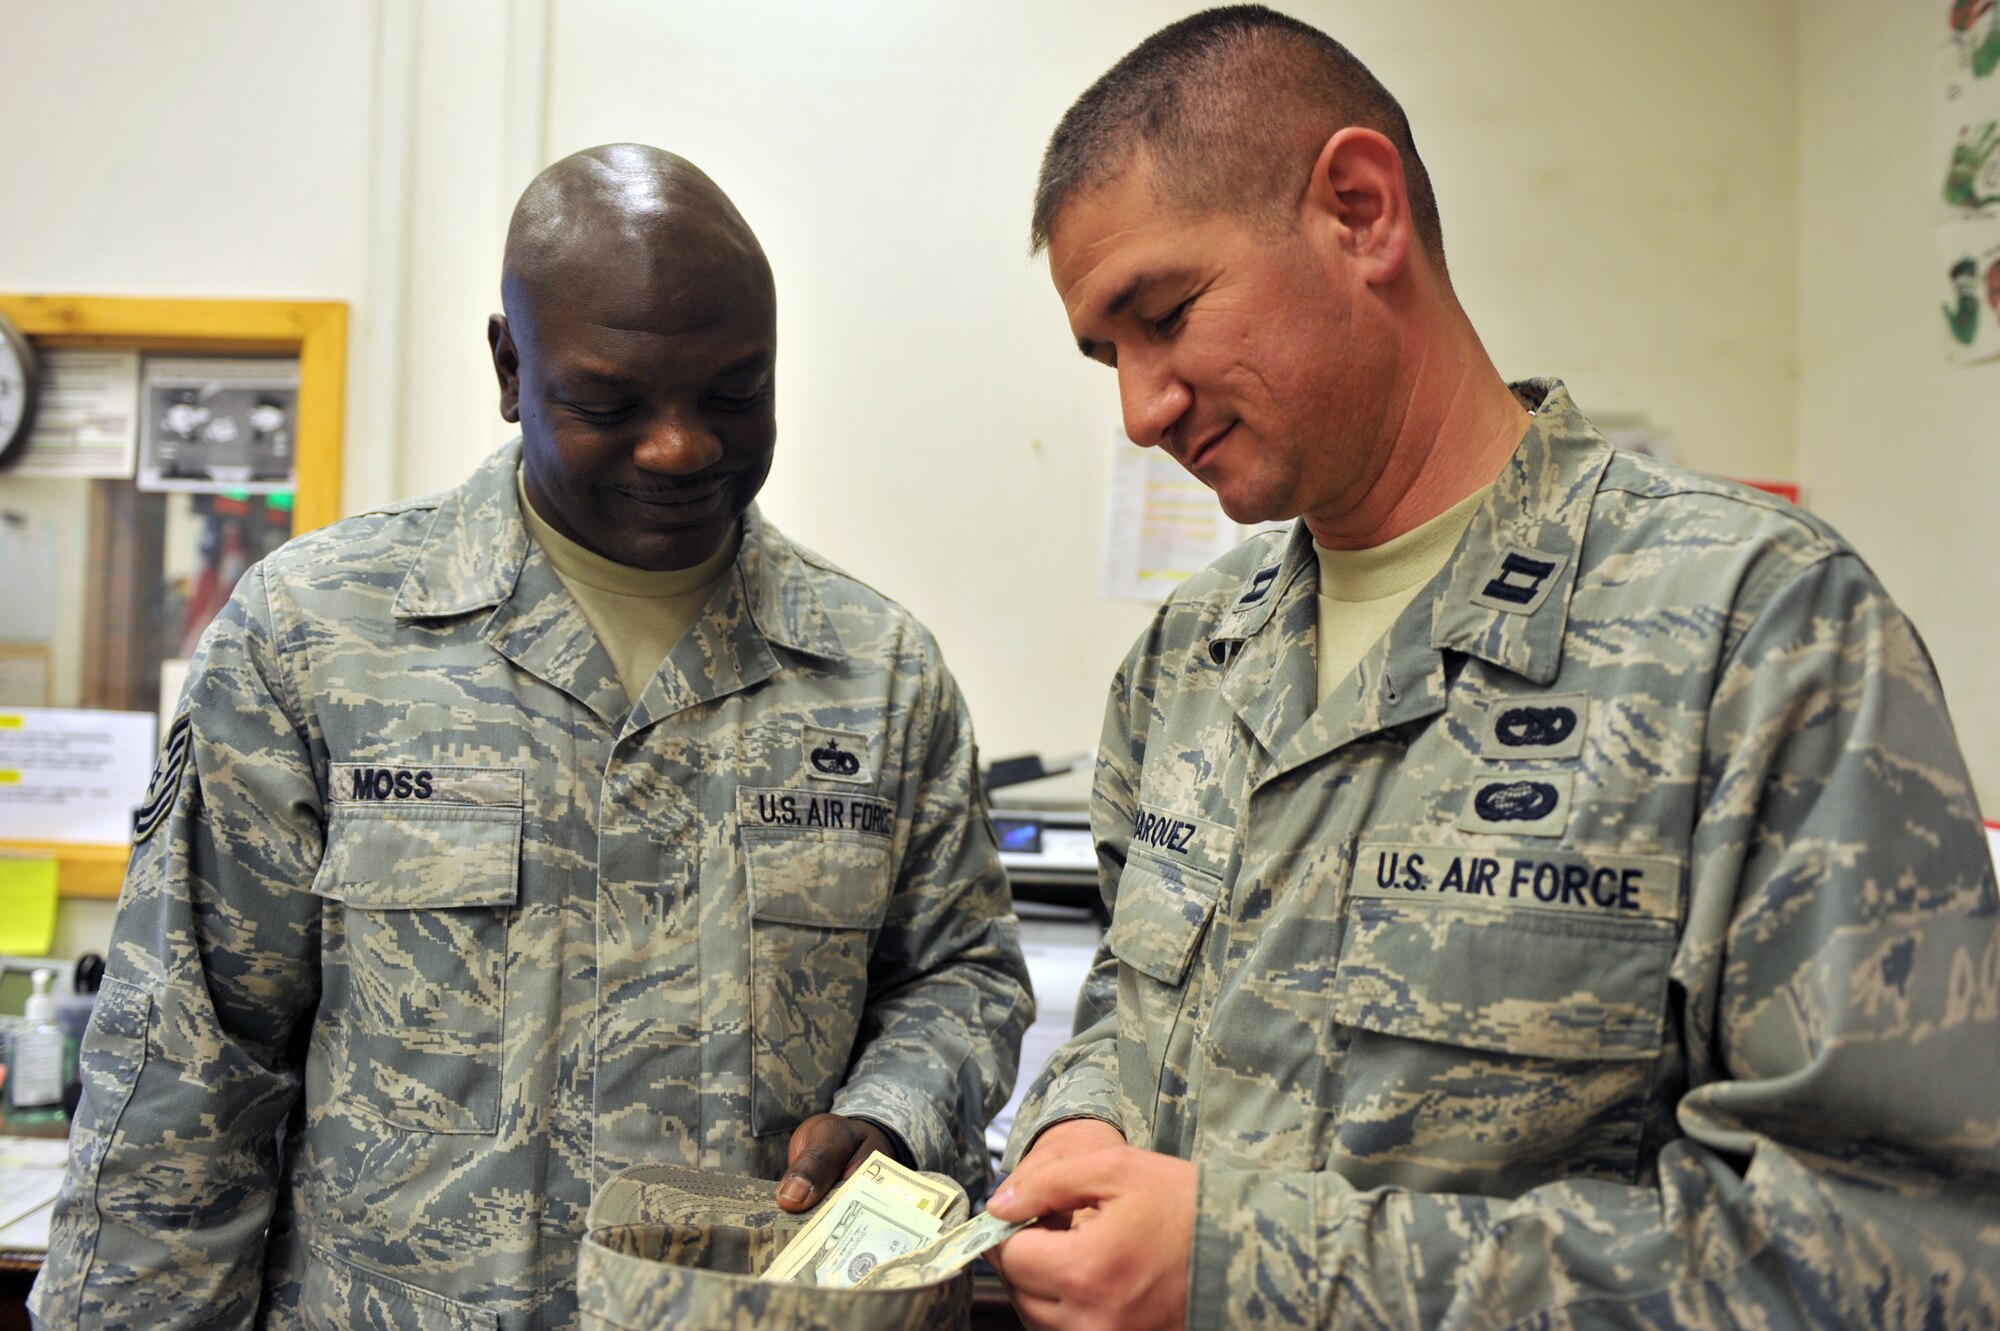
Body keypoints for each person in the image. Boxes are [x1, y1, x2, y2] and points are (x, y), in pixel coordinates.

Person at [986, 9, 2000, 1329]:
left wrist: (1249, 1264)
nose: (1139, 409)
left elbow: (1890, 1258)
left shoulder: (1760, 631)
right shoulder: (1188, 659)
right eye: (1106, 355)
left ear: (1360, 212)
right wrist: (1079, 1120)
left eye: (1166, 315)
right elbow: (1124, 1007)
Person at [30, 144, 1031, 1329]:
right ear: (511, 368)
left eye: (734, 393)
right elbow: (187, 1066)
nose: (681, 446)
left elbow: (960, 976)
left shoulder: (877, 674)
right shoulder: (317, 637)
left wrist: (893, 1114)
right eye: (610, 403)